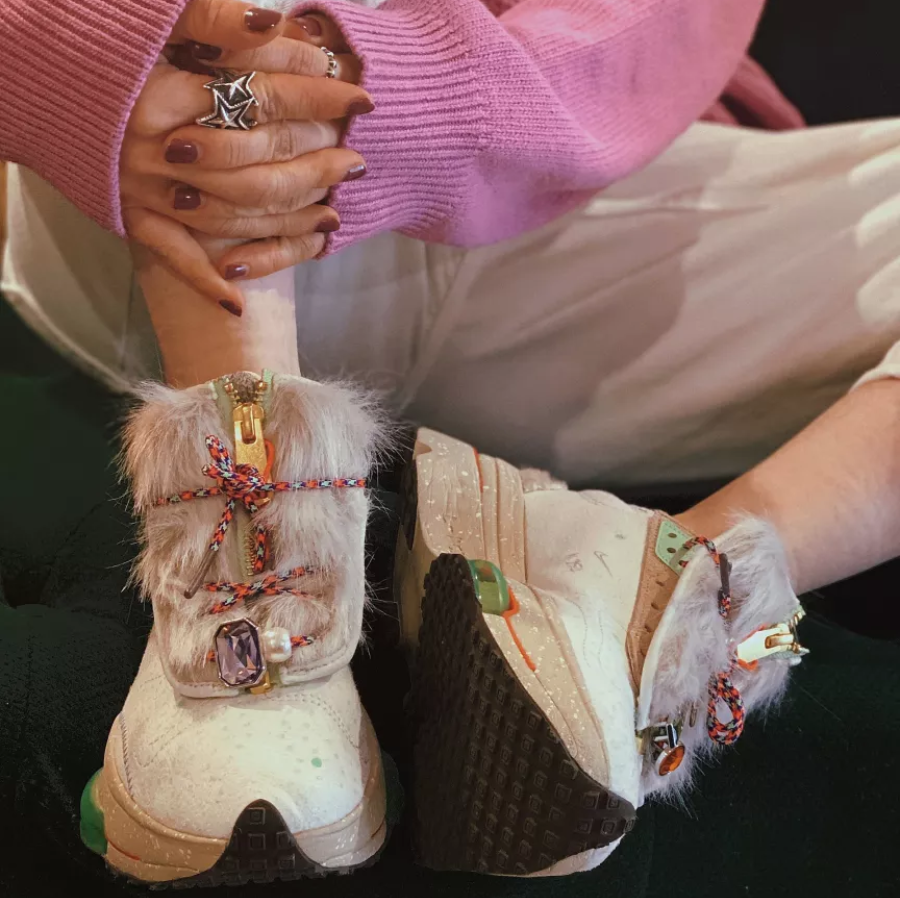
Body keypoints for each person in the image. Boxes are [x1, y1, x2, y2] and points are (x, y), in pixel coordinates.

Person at [3, 0, 900, 887]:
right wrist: (90, 53)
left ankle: (658, 595)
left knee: (257, 62)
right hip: (138, 163)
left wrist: (402, 97)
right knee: (231, 37)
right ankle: (255, 579)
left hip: (560, 174)